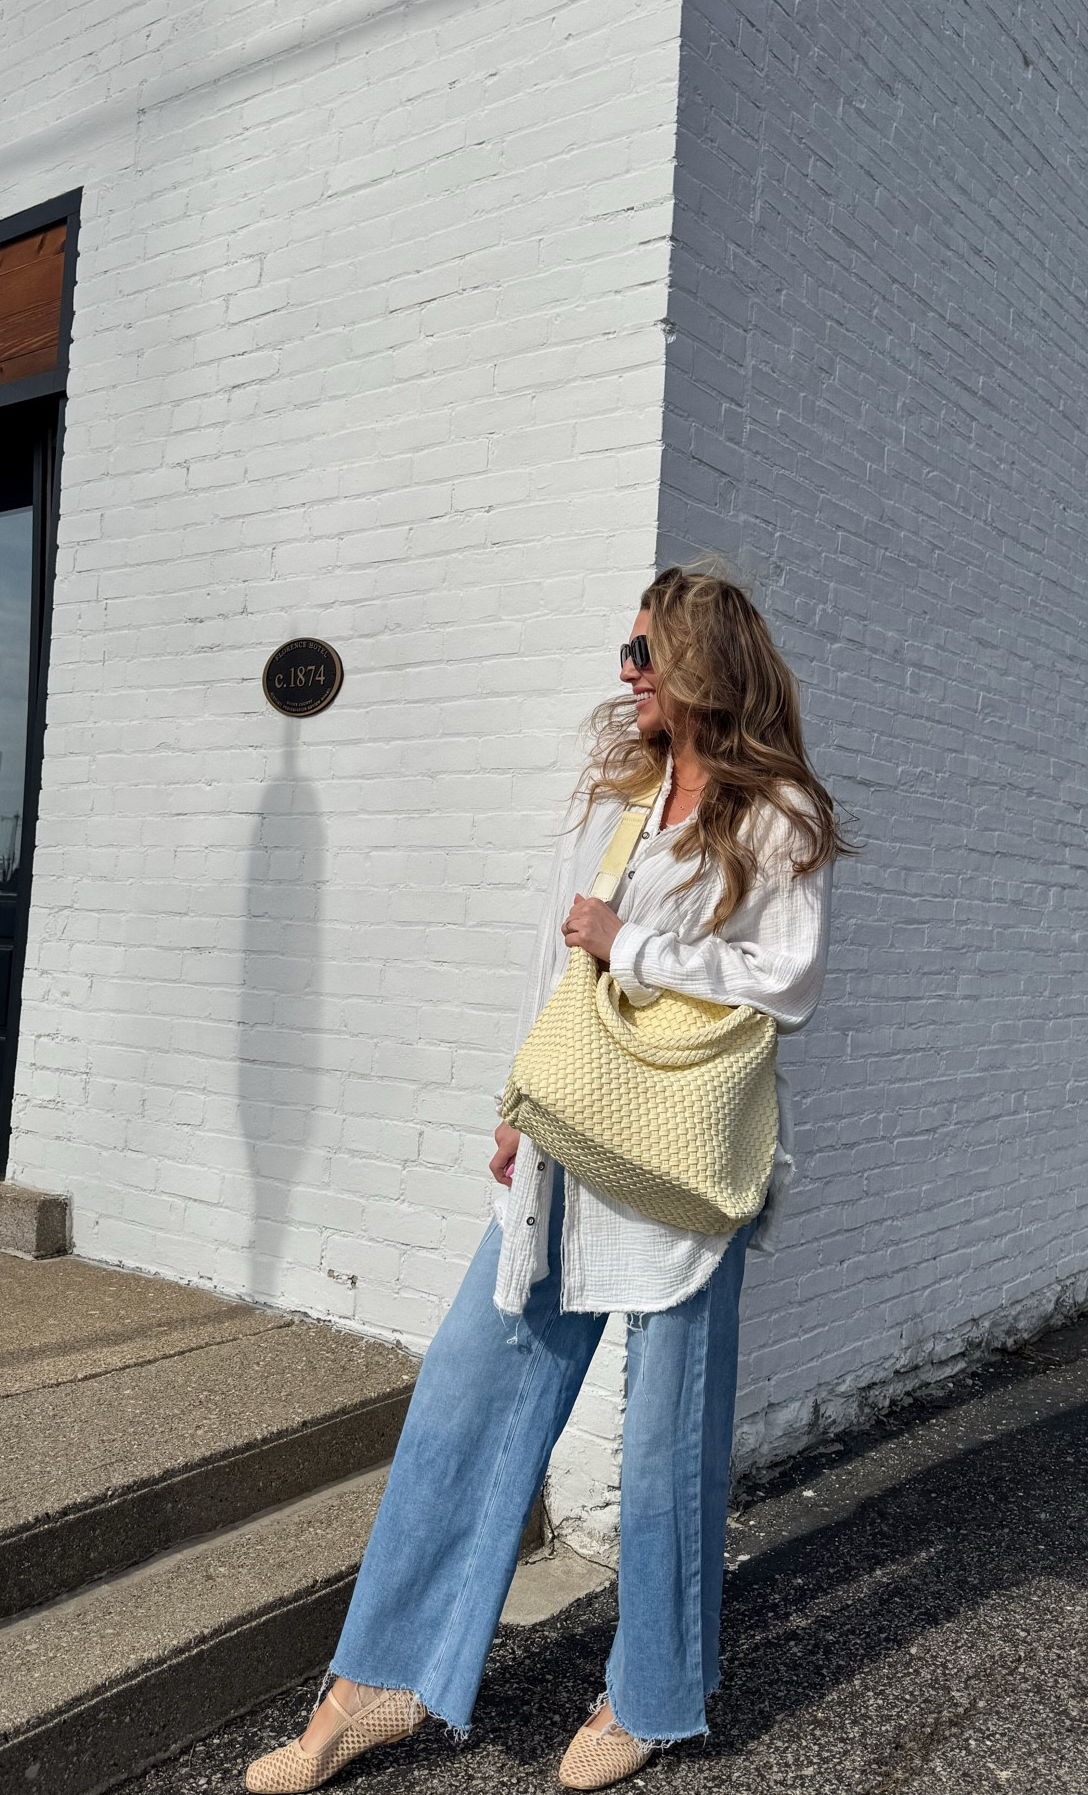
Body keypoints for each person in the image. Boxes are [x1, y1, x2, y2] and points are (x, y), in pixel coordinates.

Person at [245, 566, 840, 1794]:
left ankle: (653, 1695)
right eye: (625, 653)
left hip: (681, 1153)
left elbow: (785, 983)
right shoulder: (619, 799)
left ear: (699, 663)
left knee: (671, 1435)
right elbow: (557, 969)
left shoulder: (773, 811)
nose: (623, 675)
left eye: (641, 653)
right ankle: (376, 1684)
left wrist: (633, 944)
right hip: (572, 1134)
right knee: (467, 1388)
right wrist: (518, 1100)